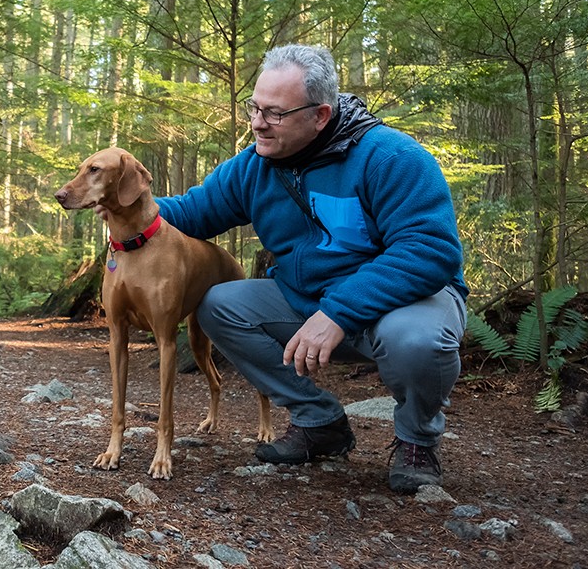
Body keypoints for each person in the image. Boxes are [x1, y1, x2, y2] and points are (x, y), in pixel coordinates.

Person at [153, 44, 467, 493]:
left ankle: (416, 439)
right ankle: (319, 422)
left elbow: (430, 250)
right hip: (307, 301)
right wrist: (121, 198)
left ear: (320, 115)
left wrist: (338, 312)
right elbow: (189, 212)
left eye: (275, 113)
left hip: (404, 304)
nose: (258, 123)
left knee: (418, 341)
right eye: (255, 108)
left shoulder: (391, 157)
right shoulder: (254, 166)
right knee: (219, 304)